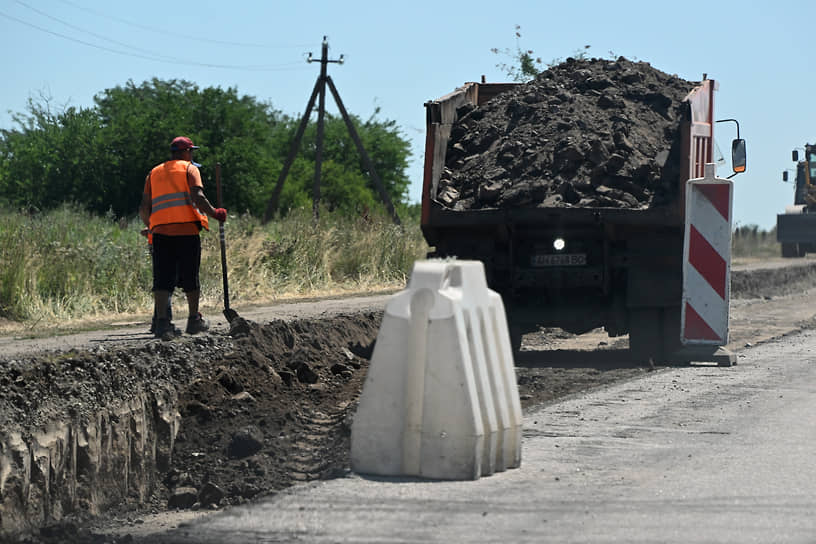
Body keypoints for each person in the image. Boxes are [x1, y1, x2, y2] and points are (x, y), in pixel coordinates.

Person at [139, 136, 227, 339]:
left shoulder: (153, 173)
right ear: (187, 152)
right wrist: (216, 214)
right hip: (187, 232)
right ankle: (194, 320)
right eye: (191, 151)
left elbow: (144, 207)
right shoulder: (190, 169)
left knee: (162, 279)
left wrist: (151, 226)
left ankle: (162, 323)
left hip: (161, 234)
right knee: (190, 277)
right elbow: (198, 197)